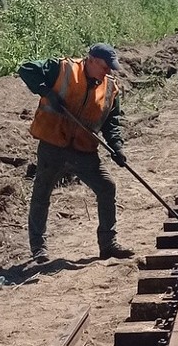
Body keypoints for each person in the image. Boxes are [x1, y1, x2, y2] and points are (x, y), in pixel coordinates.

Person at [17, 44, 134, 264]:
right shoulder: (62, 68)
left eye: (110, 68)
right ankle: (39, 249)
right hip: (53, 144)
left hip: (84, 150)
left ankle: (107, 244)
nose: (107, 72)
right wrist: (46, 92)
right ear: (90, 60)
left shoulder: (110, 88)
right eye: (104, 67)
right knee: (42, 194)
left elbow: (112, 123)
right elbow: (26, 69)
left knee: (107, 187)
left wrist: (117, 147)